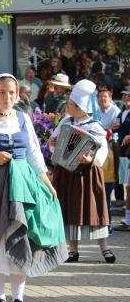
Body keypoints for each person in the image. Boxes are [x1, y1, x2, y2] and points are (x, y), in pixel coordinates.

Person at [0, 73, 66, 302]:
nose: (7, 97)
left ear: (17, 94)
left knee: (21, 237)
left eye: (11, 92)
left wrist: (47, 183)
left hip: (23, 186)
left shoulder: (23, 119)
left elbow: (34, 154)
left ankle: (18, 299)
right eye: (2, 92)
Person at [50, 79, 115, 263]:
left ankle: (104, 248)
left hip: (88, 173)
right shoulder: (66, 121)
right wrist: (52, 144)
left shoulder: (94, 126)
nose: (67, 106)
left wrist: (91, 159)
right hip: (66, 172)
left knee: (95, 208)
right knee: (71, 209)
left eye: (70, 103)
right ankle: (73, 250)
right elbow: (55, 142)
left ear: (79, 107)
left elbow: (102, 149)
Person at [112, 86, 130, 232]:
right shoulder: (121, 112)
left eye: (128, 95)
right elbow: (116, 128)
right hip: (122, 150)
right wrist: (114, 128)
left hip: (128, 151)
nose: (125, 97)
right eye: (123, 95)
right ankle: (127, 218)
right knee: (123, 179)